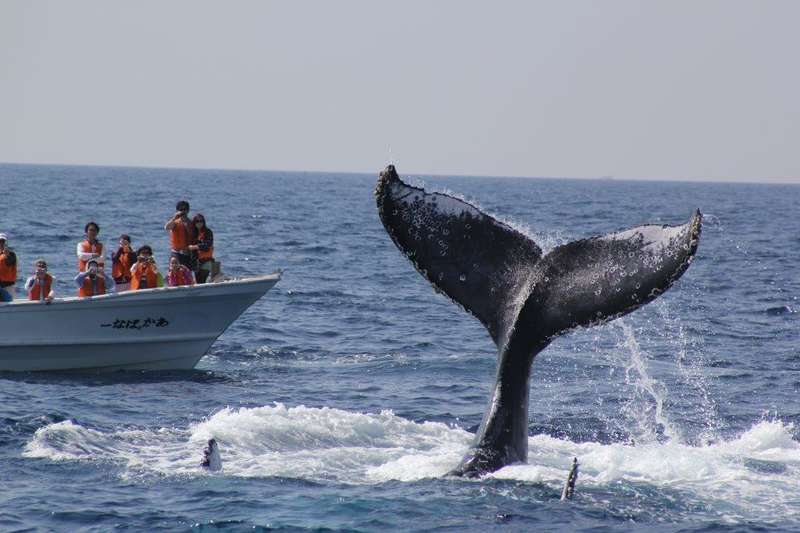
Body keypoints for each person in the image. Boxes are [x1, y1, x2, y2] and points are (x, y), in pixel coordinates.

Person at [164, 200, 195, 269]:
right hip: (176, 254)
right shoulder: (175, 222)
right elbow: (166, 227)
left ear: (188, 210)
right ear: (177, 210)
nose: (183, 211)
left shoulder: (191, 223)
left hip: (187, 254)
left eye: (185, 209)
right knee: (174, 274)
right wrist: (174, 218)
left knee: (186, 275)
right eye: (181, 210)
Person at [188, 214, 214, 283]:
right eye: (197, 221)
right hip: (196, 262)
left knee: (203, 279)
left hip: (207, 260)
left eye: (201, 221)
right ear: (194, 222)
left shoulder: (208, 232)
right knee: (199, 282)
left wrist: (195, 247)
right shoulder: (193, 234)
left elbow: (208, 245)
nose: (199, 223)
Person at [0, 233, 17, 302]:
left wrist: (7, 255)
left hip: (8, 286)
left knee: (10, 304)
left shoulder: (11, 254)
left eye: (3, 241)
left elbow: (10, 262)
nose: (1, 243)